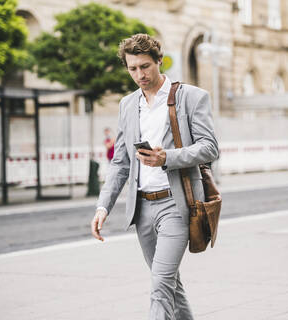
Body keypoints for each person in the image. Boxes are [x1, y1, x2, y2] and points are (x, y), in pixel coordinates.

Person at [90, 33, 219, 320]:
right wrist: (103, 207)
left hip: (176, 205)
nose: (139, 75)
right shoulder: (127, 104)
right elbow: (120, 162)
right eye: (132, 68)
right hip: (142, 209)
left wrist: (167, 158)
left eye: (145, 66)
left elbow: (210, 148)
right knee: (171, 284)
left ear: (159, 61)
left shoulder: (191, 97)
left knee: (160, 285)